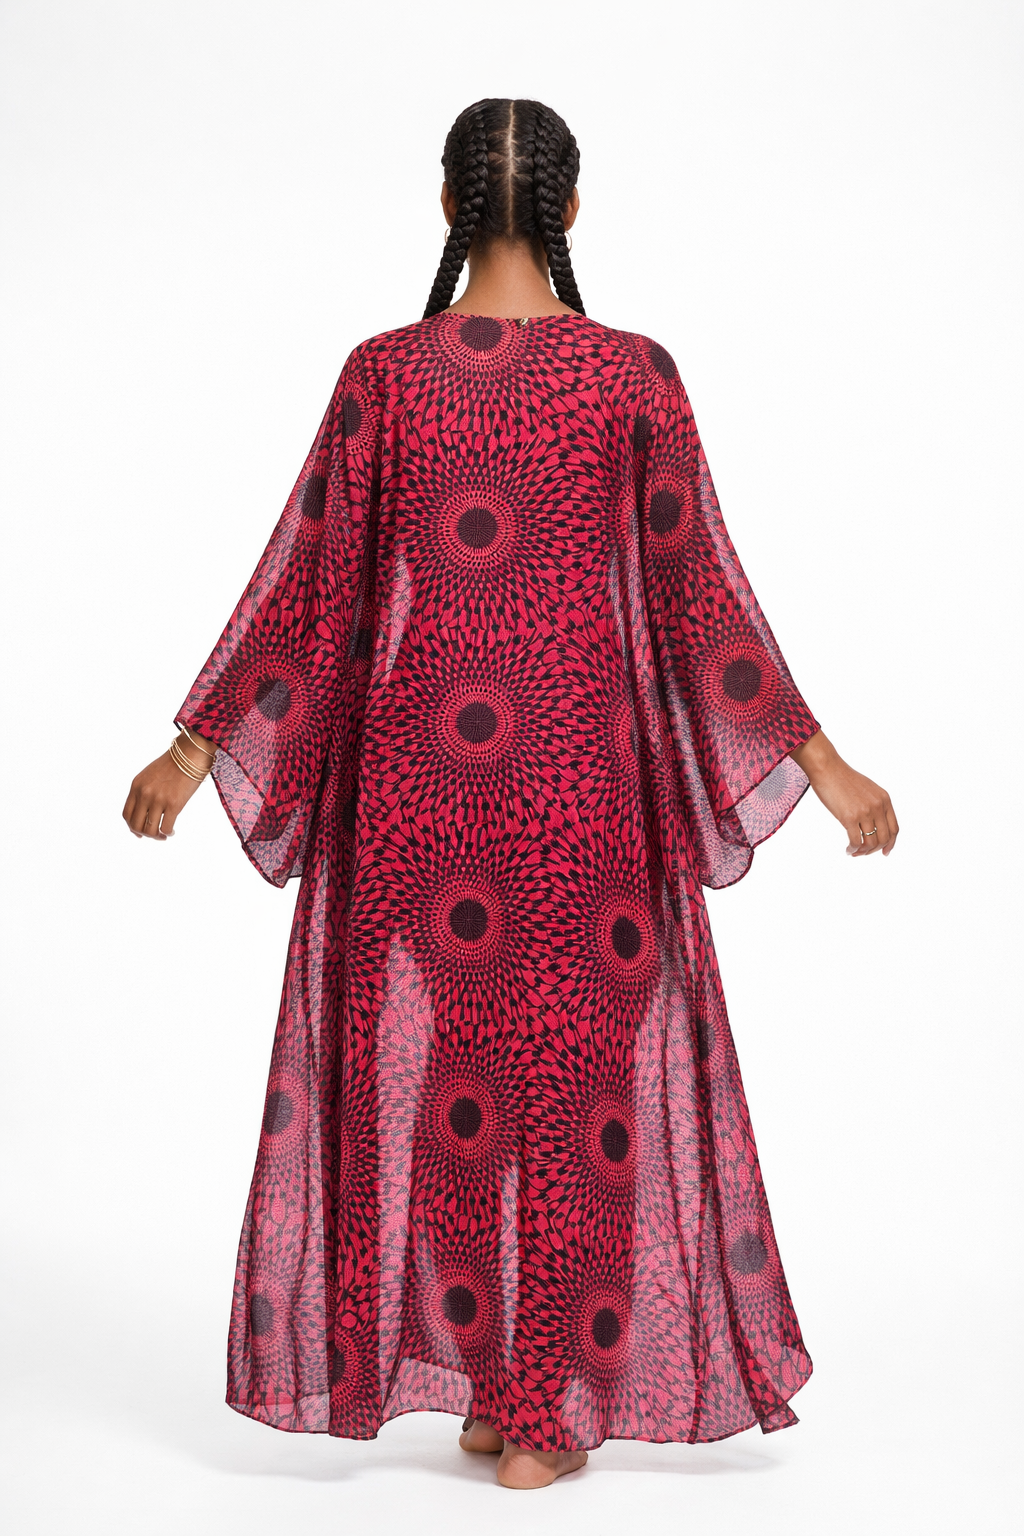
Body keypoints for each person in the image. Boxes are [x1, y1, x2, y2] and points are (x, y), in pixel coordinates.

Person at [123, 97, 898, 1491]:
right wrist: (823, 767)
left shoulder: (384, 373)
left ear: (444, 207)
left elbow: (311, 584)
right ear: (573, 210)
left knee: (446, 1084)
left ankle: (492, 1387)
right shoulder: (632, 375)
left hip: (414, 787)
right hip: (580, 787)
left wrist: (194, 750)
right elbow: (699, 596)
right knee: (577, 1087)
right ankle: (539, 1411)